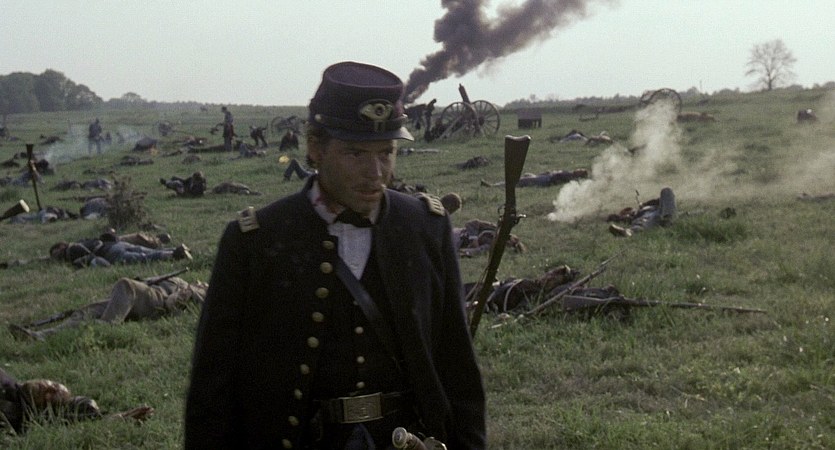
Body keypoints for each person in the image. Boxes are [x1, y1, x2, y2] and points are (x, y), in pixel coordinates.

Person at [185, 61, 485, 449]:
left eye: (386, 153)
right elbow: (213, 387)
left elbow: (458, 368)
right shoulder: (256, 241)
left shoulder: (425, 227)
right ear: (316, 148)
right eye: (355, 153)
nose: (375, 172)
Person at [8, 274, 206, 341]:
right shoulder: (179, 280)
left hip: (156, 302)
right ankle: (40, 336)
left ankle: (106, 329)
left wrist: (187, 291)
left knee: (126, 285)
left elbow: (175, 303)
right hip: (143, 298)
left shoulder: (200, 290)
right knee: (85, 312)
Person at [0, 367, 153, 435]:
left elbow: (69, 421)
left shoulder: (17, 414)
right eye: (54, 385)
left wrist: (114, 418)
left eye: (51, 395)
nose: (48, 387)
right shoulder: (11, 385)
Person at [49, 238, 192, 268]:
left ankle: (174, 255)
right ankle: (177, 249)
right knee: (148, 251)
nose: (55, 256)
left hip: (110, 254)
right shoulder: (81, 241)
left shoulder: (71, 251)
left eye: (55, 252)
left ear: (61, 246)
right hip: (116, 244)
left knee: (143, 258)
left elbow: (89, 257)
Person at [608, 187, 677, 237]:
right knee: (640, 224)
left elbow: (662, 200)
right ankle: (627, 232)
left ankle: (668, 219)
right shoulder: (634, 217)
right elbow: (612, 217)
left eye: (629, 209)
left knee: (667, 190)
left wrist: (645, 204)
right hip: (649, 221)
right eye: (626, 211)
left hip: (661, 213)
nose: (629, 211)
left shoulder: (652, 206)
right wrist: (624, 217)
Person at [480, 168, 589, 188]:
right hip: (544, 177)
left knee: (520, 181)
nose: (578, 169)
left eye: (580, 170)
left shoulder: (570, 177)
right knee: (527, 175)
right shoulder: (569, 174)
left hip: (545, 180)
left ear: (579, 175)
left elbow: (556, 179)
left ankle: (493, 186)